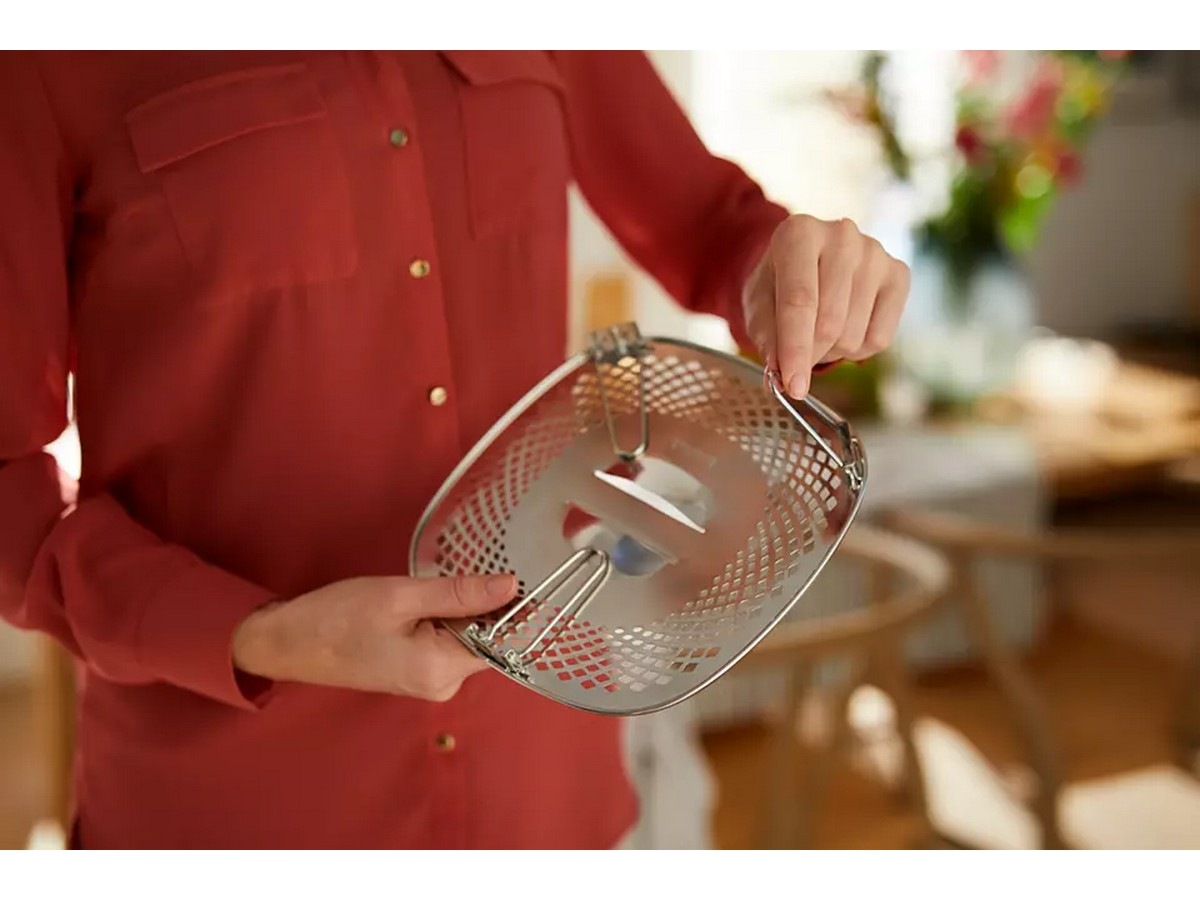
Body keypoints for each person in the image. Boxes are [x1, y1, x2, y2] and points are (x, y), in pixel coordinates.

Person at [0, 50, 910, 849]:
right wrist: (259, 632)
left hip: (545, 772)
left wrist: (796, 275)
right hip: (240, 808)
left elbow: (712, 223)